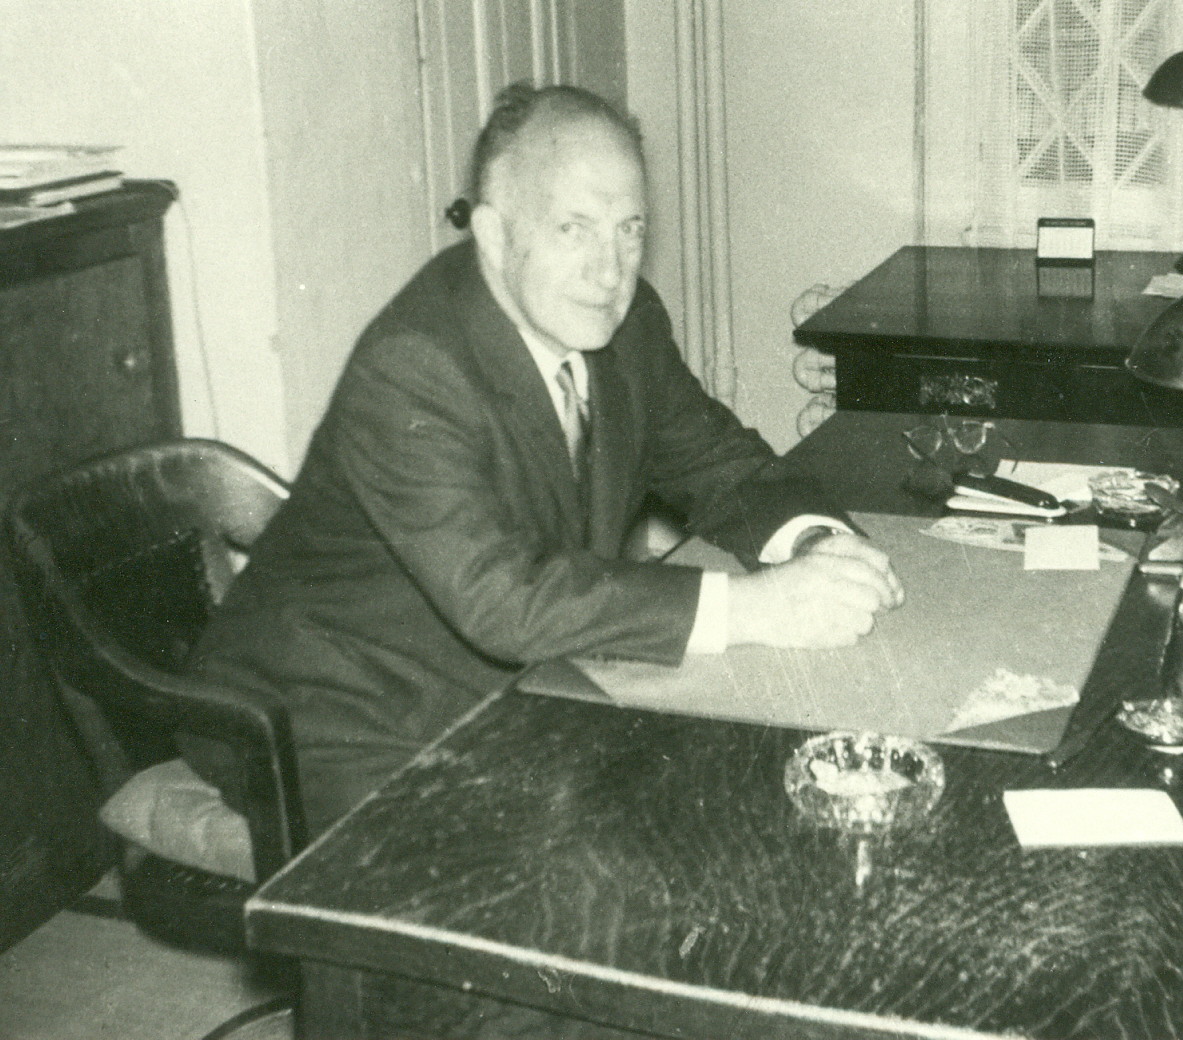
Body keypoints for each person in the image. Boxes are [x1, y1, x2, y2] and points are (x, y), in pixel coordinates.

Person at [186, 83, 902, 837]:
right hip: (335, 711)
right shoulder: (412, 366)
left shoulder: (625, 325)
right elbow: (504, 601)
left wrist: (817, 547)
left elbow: (726, 466)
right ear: (494, 237)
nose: (610, 269)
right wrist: (758, 607)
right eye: (574, 229)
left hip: (514, 678)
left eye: (630, 229)